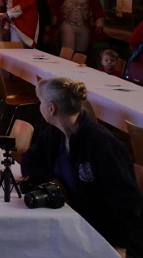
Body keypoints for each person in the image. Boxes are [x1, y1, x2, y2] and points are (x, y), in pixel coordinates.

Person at [21, 78, 143, 256]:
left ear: (51, 108)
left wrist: (119, 246)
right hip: (69, 222)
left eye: (41, 102)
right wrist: (52, 180)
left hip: (101, 235)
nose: (40, 107)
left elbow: (126, 202)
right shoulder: (54, 133)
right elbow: (29, 161)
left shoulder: (103, 145)